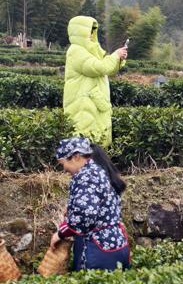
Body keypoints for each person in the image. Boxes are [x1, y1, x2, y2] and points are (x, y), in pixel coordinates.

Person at [50, 138, 130, 272]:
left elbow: (85, 215)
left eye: (63, 163)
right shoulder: (98, 171)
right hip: (117, 244)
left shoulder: (87, 176)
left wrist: (60, 234)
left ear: (76, 157)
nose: (64, 169)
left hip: (98, 249)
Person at [63, 16, 127, 147]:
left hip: (94, 101)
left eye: (93, 31)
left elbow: (107, 69)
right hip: (83, 103)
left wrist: (119, 59)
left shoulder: (91, 51)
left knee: (96, 144)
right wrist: (115, 56)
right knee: (85, 143)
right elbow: (99, 67)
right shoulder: (76, 51)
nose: (92, 35)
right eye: (89, 32)